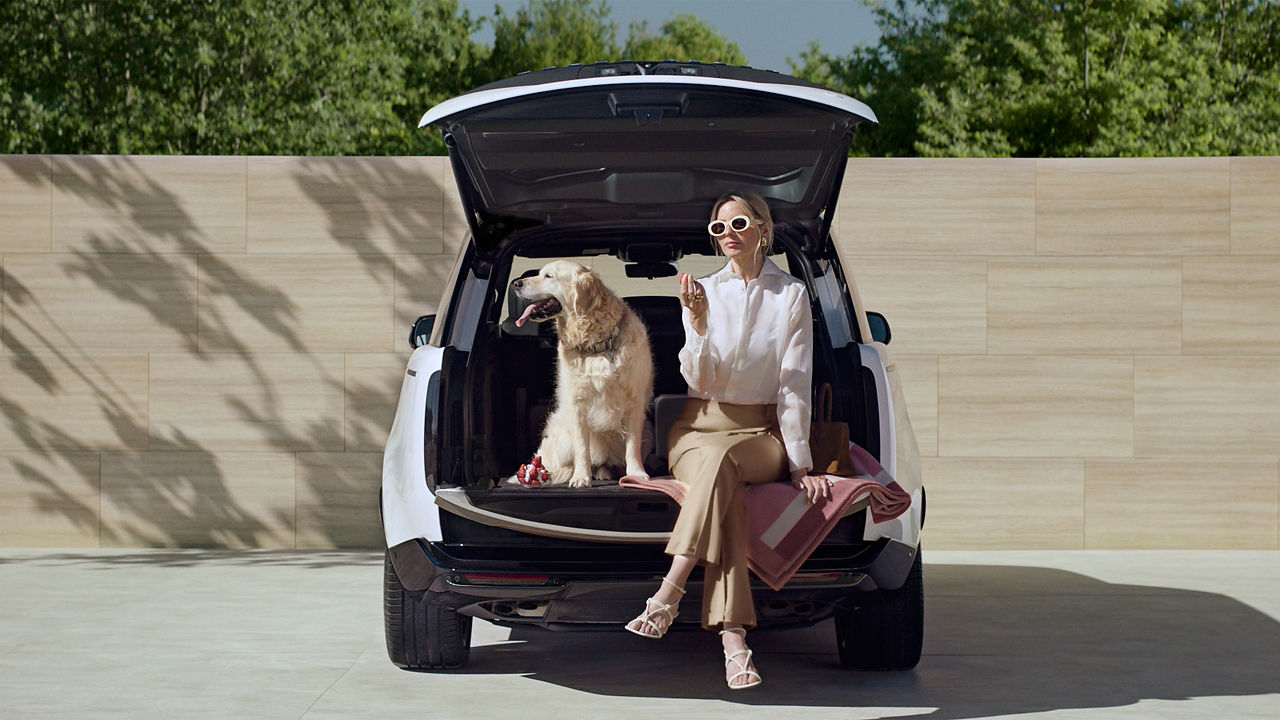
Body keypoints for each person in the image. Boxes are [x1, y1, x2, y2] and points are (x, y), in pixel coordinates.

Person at [624, 191, 832, 690]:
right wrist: (695, 325)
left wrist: (801, 463)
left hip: (761, 433)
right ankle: (734, 640)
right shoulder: (705, 292)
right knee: (725, 489)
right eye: (718, 228)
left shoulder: (792, 295)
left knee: (725, 466)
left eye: (738, 222)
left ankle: (670, 592)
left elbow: (794, 383)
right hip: (698, 428)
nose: (729, 233)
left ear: (763, 227)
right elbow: (701, 381)